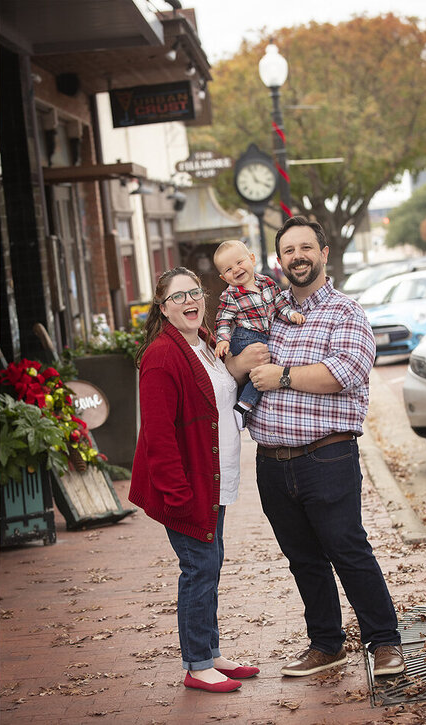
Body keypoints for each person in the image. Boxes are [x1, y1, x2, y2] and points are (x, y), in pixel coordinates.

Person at [232, 216, 403, 677]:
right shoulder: (266, 311)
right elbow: (237, 360)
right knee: (303, 559)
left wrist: (282, 376)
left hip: (326, 455)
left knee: (347, 549)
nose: (298, 257)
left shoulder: (345, 312)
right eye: (289, 250)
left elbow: (345, 372)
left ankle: (384, 641)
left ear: (324, 253)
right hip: (270, 462)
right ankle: (326, 644)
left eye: (306, 248)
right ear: (279, 259)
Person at [128, 266, 261, 693]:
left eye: (195, 293)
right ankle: (197, 665)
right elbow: (158, 434)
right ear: (163, 308)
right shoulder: (161, 356)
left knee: (210, 566)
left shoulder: (204, 342)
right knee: (199, 569)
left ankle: (211, 652)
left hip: (212, 480)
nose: (189, 301)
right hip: (186, 487)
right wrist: (177, 493)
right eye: (177, 297)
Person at [210, 239, 304, 424]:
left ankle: (242, 404)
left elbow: (279, 304)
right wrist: (222, 340)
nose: (236, 270)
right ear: (223, 278)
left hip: (264, 336)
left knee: (263, 372)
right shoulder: (230, 295)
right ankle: (244, 405)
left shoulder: (267, 283)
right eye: (228, 269)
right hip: (245, 337)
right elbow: (224, 319)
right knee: (262, 370)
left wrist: (291, 314)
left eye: (239, 262)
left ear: (252, 259)